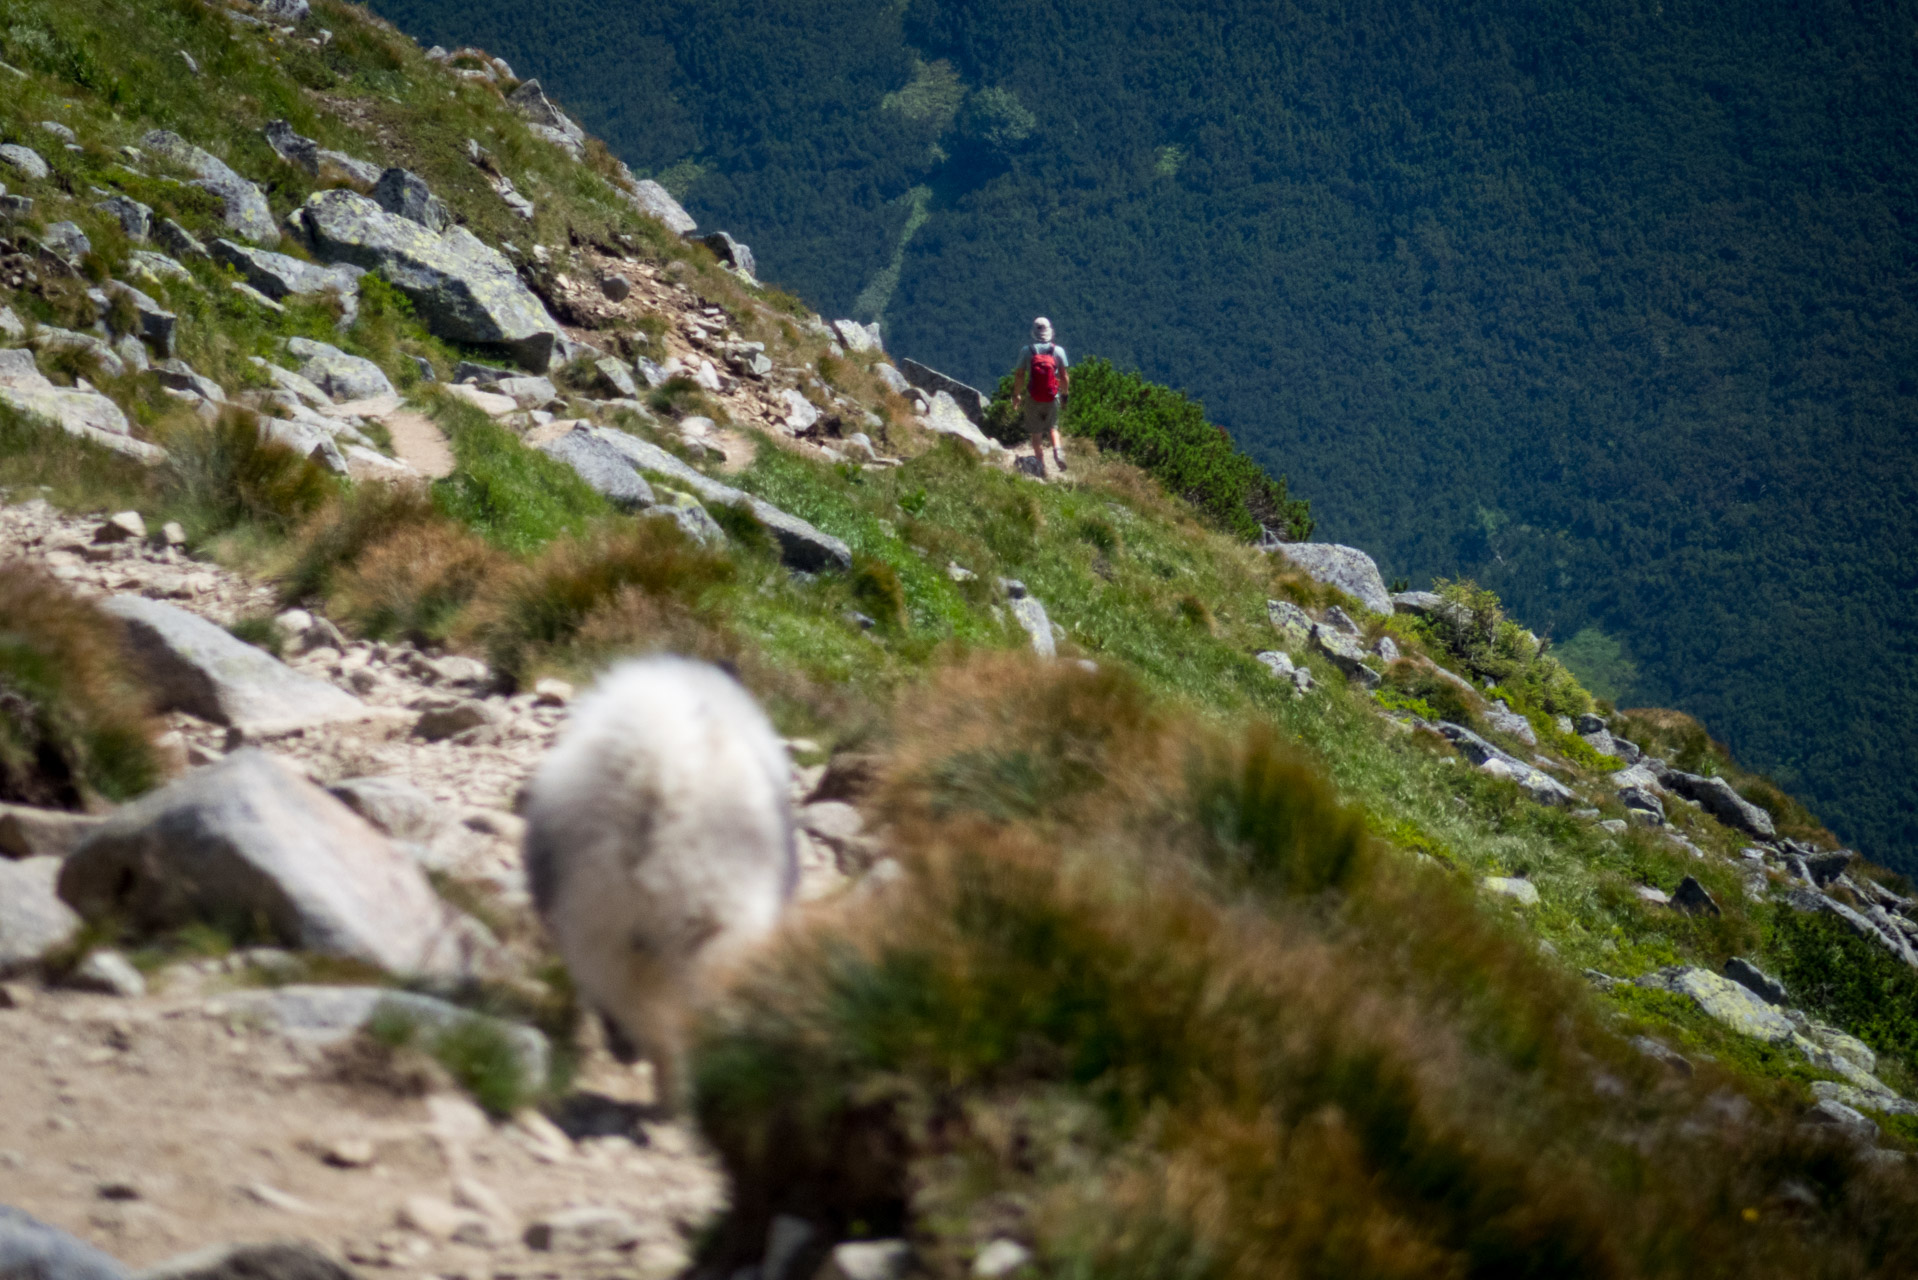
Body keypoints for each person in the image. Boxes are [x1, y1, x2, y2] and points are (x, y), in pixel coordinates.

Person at [1014, 316, 1071, 476]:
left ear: (1034, 332)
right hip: (1053, 397)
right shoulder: (1058, 351)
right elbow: (1065, 377)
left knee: (1036, 433)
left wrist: (1016, 395)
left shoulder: (1027, 351)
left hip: (1033, 397)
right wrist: (1065, 395)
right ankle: (1058, 453)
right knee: (1053, 427)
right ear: (1050, 332)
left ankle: (1041, 466)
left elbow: (1019, 375)